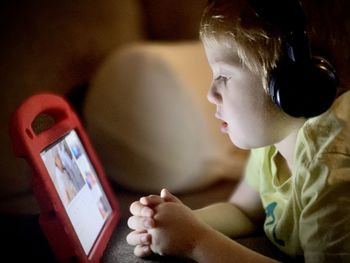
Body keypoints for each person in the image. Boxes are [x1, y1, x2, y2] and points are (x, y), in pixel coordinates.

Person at [126, 0, 350, 262]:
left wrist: (196, 242)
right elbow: (243, 211)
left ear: (295, 85)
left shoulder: (330, 161)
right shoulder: (275, 138)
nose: (210, 94)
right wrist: (176, 221)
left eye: (224, 76)